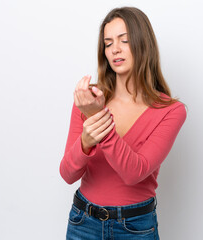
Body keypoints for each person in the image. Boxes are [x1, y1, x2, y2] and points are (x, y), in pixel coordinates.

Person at [59, 6, 187, 240]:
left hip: (135, 228)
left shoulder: (171, 111)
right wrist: (86, 142)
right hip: (83, 223)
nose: (115, 49)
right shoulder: (90, 99)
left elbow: (133, 172)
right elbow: (67, 173)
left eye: (124, 40)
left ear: (143, 43)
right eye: (108, 43)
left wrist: (98, 118)